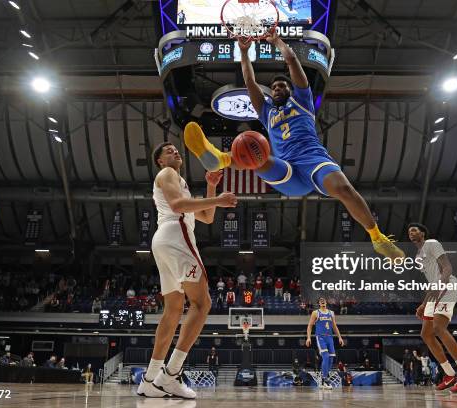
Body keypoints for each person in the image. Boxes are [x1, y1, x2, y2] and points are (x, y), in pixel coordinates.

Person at [183, 32, 404, 264]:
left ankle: (378, 238)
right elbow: (249, 81)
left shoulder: (302, 100)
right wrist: (245, 52)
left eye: (281, 86)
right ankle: (220, 159)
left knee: (344, 190)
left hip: (313, 160)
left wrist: (277, 40)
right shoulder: (267, 112)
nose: (277, 88)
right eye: (274, 87)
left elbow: (292, 61)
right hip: (287, 170)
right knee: (257, 155)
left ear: (290, 89)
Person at [137, 142, 236, 399]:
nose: (175, 152)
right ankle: (171, 375)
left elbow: (207, 217)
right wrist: (220, 199)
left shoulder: (178, 181)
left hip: (164, 241)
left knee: (172, 311)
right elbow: (180, 206)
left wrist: (212, 185)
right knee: (202, 304)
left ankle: (149, 379)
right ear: (159, 161)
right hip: (175, 235)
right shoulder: (167, 174)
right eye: (167, 151)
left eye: (175, 149)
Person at [408, 223, 457, 393]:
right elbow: (432, 280)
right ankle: (450, 374)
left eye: (414, 230)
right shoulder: (418, 256)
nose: (411, 233)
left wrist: (441, 285)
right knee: (426, 333)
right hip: (435, 291)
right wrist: (424, 304)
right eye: (409, 231)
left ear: (422, 233)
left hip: (447, 287)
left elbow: (447, 268)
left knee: (438, 327)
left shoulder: (432, 243)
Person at [306, 297, 344, 390]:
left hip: (330, 337)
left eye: (324, 300)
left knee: (331, 358)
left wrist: (340, 337)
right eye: (321, 301)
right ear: (319, 303)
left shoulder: (331, 313)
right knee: (326, 356)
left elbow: (334, 326)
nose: (322, 302)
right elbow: (310, 326)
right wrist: (308, 338)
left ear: (326, 302)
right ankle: (325, 379)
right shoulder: (315, 313)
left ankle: (325, 379)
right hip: (321, 337)